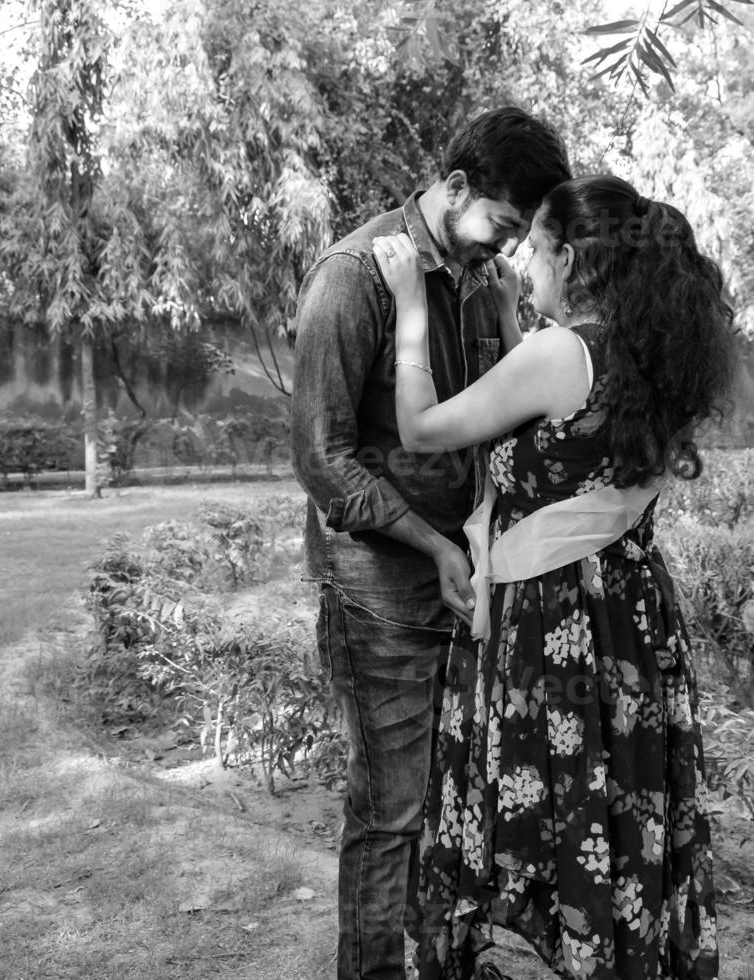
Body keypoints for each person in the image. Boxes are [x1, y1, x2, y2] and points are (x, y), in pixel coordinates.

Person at [371, 174, 731, 979]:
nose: (519, 261)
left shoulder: (554, 354)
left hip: (550, 624)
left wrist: (411, 309)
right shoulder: (650, 355)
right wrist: (512, 312)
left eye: (532, 248)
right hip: (630, 618)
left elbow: (423, 427)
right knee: (610, 800)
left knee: (539, 805)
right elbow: (564, 427)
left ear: (568, 258)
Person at [290, 107, 571, 980]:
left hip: (465, 584)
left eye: (523, 235)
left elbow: (496, 422)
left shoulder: (485, 284)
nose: (508, 248)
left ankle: (443, 962)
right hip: (380, 590)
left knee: (453, 803)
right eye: (503, 225)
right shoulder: (351, 277)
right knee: (389, 814)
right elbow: (324, 462)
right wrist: (433, 544)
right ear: (454, 190)